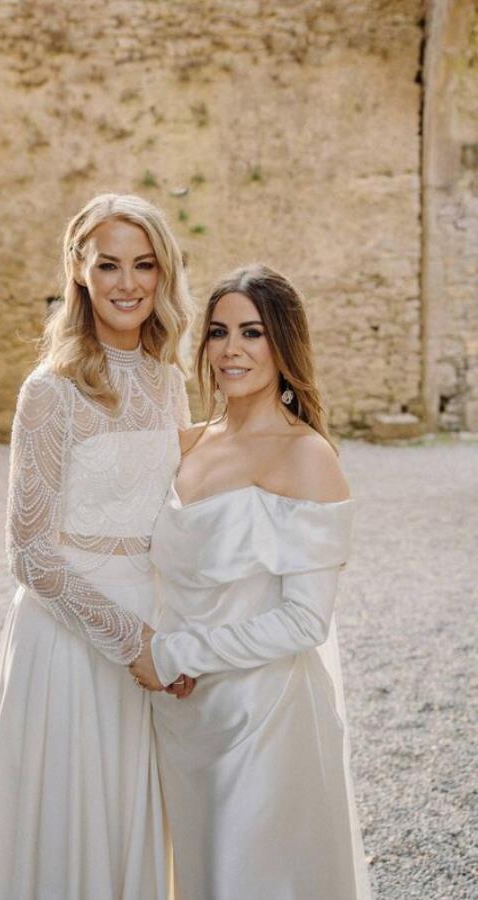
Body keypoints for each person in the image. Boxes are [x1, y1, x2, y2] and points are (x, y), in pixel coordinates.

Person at [0, 193, 196, 900]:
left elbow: (173, 514)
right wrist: (133, 641)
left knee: (133, 816)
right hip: (73, 636)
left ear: (163, 273)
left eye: (144, 265)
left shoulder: (169, 379)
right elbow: (29, 551)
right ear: (79, 270)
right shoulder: (50, 391)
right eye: (110, 264)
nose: (128, 283)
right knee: (70, 819)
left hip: (154, 623)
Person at [130, 264, 372, 899]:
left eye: (253, 332)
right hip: (180, 715)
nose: (232, 349)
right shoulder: (187, 443)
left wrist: (173, 653)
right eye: (218, 332)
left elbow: (304, 622)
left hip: (260, 719)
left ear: (284, 343)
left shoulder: (308, 457)